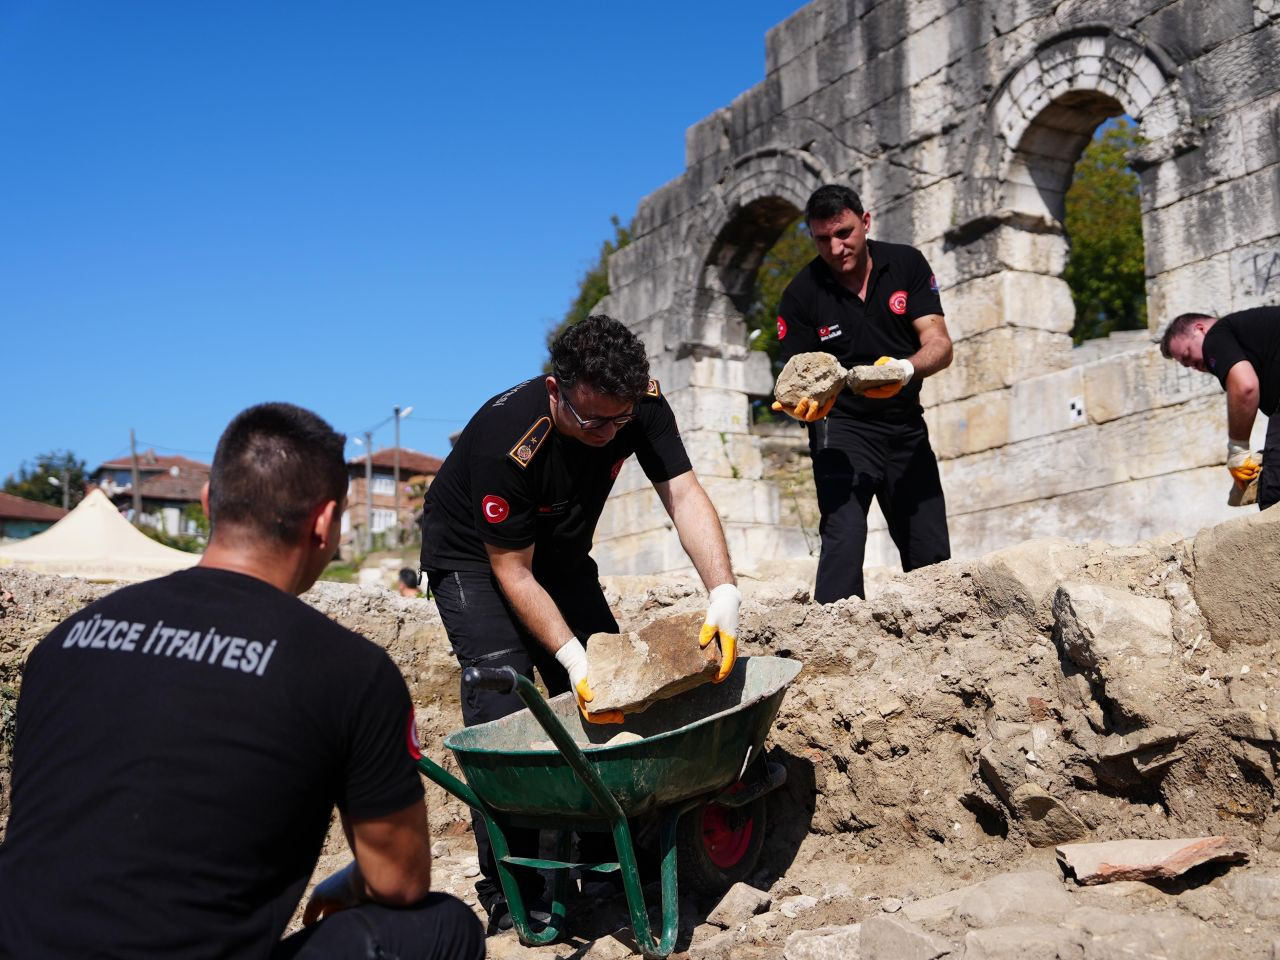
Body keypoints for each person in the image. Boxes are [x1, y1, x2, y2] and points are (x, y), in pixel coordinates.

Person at [0, 403, 483, 960]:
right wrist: (349, 881)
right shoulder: (351, 671)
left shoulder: (64, 643)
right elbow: (399, 882)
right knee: (446, 929)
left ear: (208, 504)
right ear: (325, 523)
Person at [420, 313, 740, 932]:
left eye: (619, 421)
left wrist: (723, 590)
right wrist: (571, 657)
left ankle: (605, 856)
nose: (607, 433)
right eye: (591, 420)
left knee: (615, 695)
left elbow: (683, 493)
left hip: (560, 551)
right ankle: (515, 888)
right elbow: (512, 573)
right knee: (503, 703)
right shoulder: (505, 439)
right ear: (555, 389)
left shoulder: (635, 403)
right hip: (476, 558)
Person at [771, 184, 954, 603]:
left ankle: (942, 644)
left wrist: (906, 369)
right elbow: (797, 383)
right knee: (844, 535)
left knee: (931, 553)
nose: (835, 248)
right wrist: (805, 411)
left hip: (906, 424)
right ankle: (832, 642)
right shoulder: (800, 295)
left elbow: (940, 343)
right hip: (842, 428)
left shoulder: (905, 263)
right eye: (822, 239)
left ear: (865, 222)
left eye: (844, 233)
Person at [1160, 308, 1280, 509]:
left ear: (1200, 329)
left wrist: (1237, 450)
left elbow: (1245, 387)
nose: (1193, 366)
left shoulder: (1215, 336)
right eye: (1186, 365)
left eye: (1188, 355)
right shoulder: (1252, 336)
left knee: (1273, 493)